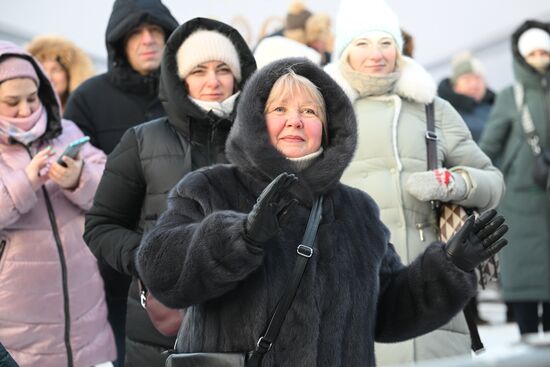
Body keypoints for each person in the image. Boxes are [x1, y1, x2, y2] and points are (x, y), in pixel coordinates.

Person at [135, 57, 508, 367]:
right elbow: (159, 269)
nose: (294, 120)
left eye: (309, 111)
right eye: (279, 109)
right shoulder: (210, 187)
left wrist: (450, 267)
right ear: (255, 121)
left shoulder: (357, 210)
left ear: (328, 129)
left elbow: (389, 313)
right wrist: (240, 238)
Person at [323, 0, 505, 364]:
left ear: (399, 47)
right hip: (356, 291)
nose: (376, 54)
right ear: (343, 50)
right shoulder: (324, 113)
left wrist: (452, 183)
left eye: (386, 42)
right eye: (362, 43)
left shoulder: (432, 108)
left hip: (436, 285)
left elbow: (493, 182)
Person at [83, 17, 257, 366]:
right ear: (179, 78)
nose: (212, 81)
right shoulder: (142, 140)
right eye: (199, 70)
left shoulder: (261, 140)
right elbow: (101, 226)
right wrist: (148, 260)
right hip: (159, 335)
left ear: (239, 76)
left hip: (251, 324)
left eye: (223, 68)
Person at [63, 1, 178, 365]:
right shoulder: (88, 98)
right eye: (135, 33)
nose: (147, 40)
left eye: (155, 31)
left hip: (184, 261)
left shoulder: (189, 93)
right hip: (112, 270)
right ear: (118, 43)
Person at [0, 41, 115, 367]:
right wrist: (26, 182)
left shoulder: (65, 130)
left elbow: (110, 188)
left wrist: (79, 177)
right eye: (12, 102)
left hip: (86, 309)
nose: (26, 110)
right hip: (18, 325)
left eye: (32, 98)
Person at [479, 20, 550, 336]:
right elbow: (489, 147)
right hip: (521, 204)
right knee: (524, 285)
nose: (539, 57)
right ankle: (526, 345)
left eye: (544, 51)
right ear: (521, 57)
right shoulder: (511, 96)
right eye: (532, 52)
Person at [26, 34, 95, 112]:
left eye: (56, 70)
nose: (48, 76)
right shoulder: (25, 111)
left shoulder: (84, 112)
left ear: (70, 74)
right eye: (42, 69)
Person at [438, 51, 496, 142]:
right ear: (455, 86)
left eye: (478, 78)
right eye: (467, 80)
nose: (474, 85)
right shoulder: (446, 113)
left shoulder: (497, 106)